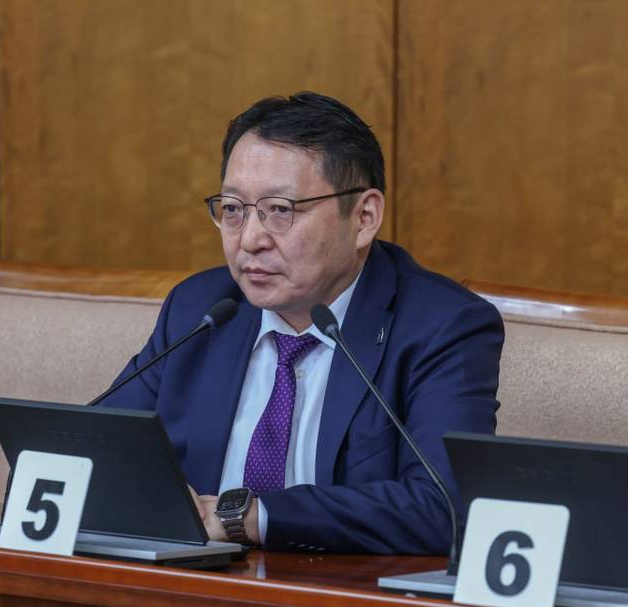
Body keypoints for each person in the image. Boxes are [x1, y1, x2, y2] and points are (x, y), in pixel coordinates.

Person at [99, 92, 503, 554]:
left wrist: (249, 517)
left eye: (280, 210)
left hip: (339, 591)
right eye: (232, 209)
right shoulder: (201, 308)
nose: (250, 239)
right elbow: (92, 453)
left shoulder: (442, 327)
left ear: (364, 218)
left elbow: (443, 507)